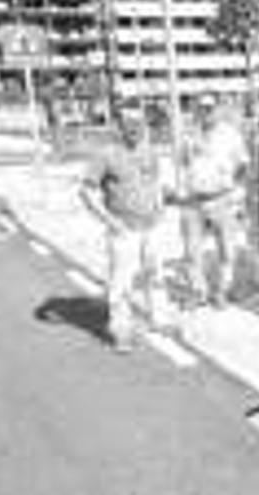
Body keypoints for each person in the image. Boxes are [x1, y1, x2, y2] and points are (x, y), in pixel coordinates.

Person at [79, 111, 175, 353]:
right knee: (122, 283)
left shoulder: (149, 151)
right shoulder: (106, 154)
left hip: (151, 227)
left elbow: (155, 183)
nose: (134, 128)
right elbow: (86, 192)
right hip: (124, 230)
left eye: (139, 123)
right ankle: (121, 331)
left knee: (155, 275)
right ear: (119, 126)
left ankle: (160, 320)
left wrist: (160, 206)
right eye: (128, 123)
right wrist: (109, 221)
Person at [178, 93, 250, 307]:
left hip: (222, 200)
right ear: (197, 110)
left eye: (210, 108)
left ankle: (222, 291)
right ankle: (197, 292)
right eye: (202, 108)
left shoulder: (231, 134)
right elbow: (183, 161)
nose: (206, 112)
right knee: (192, 251)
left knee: (226, 250)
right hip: (194, 200)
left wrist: (232, 188)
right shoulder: (189, 134)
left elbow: (244, 164)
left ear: (217, 110)